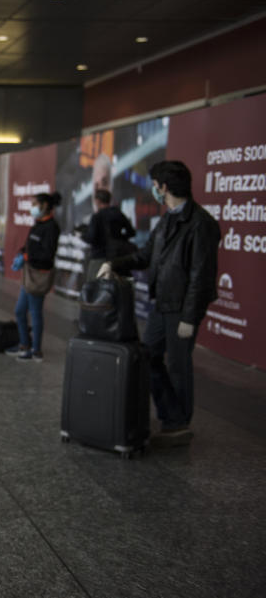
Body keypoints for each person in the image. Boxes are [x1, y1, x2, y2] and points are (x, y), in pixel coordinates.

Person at [99, 161, 220, 447]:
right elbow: (144, 255)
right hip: (162, 303)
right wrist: (114, 264)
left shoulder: (201, 223)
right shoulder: (167, 220)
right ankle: (171, 414)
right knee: (148, 356)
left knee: (178, 365)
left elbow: (200, 276)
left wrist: (190, 318)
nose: (154, 189)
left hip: (182, 308)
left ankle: (178, 424)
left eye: (155, 184)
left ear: (163, 187)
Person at [7, 192, 61, 362]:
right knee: (20, 311)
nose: (32, 207)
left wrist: (28, 257)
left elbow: (47, 254)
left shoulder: (52, 227)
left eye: (35, 204)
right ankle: (24, 345)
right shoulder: (37, 224)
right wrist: (23, 252)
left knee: (35, 313)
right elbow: (31, 245)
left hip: (39, 276)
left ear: (45, 205)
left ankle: (36, 351)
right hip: (29, 275)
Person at [78, 188, 136, 280]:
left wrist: (81, 235)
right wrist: (120, 239)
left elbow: (91, 238)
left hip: (99, 258)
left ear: (97, 201)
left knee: (95, 286)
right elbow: (131, 232)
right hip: (117, 258)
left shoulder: (97, 217)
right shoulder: (118, 214)